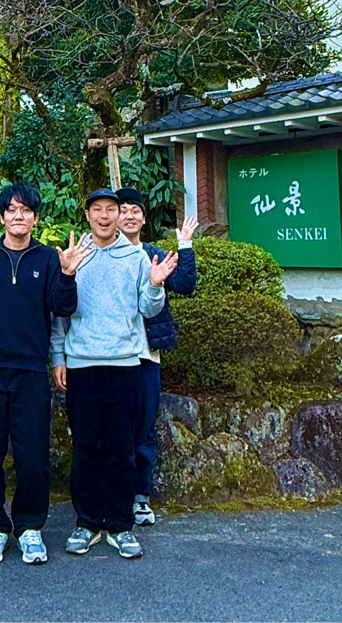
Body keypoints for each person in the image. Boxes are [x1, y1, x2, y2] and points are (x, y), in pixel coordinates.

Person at [0, 183, 90, 565]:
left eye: (26, 210)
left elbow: (63, 307)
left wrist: (67, 274)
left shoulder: (47, 258)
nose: (18, 216)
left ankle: (29, 527)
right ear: (2, 217)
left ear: (35, 218)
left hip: (30, 372)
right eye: (11, 210)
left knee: (33, 456)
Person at [51, 188, 178, 559]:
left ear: (119, 215)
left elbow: (148, 309)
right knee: (86, 447)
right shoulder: (76, 254)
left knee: (122, 448)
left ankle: (121, 525)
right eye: (98, 209)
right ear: (88, 215)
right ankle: (88, 522)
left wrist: (155, 285)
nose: (105, 216)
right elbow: (59, 314)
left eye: (111, 209)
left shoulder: (136, 257)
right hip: (81, 364)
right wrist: (58, 356)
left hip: (125, 364)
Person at [116, 188, 198, 526]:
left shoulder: (153, 254)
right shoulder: (101, 254)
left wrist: (185, 245)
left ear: (144, 218)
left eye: (135, 210)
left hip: (147, 355)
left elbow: (186, 284)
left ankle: (140, 497)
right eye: (123, 210)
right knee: (115, 428)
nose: (129, 215)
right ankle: (116, 496)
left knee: (144, 427)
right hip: (112, 357)